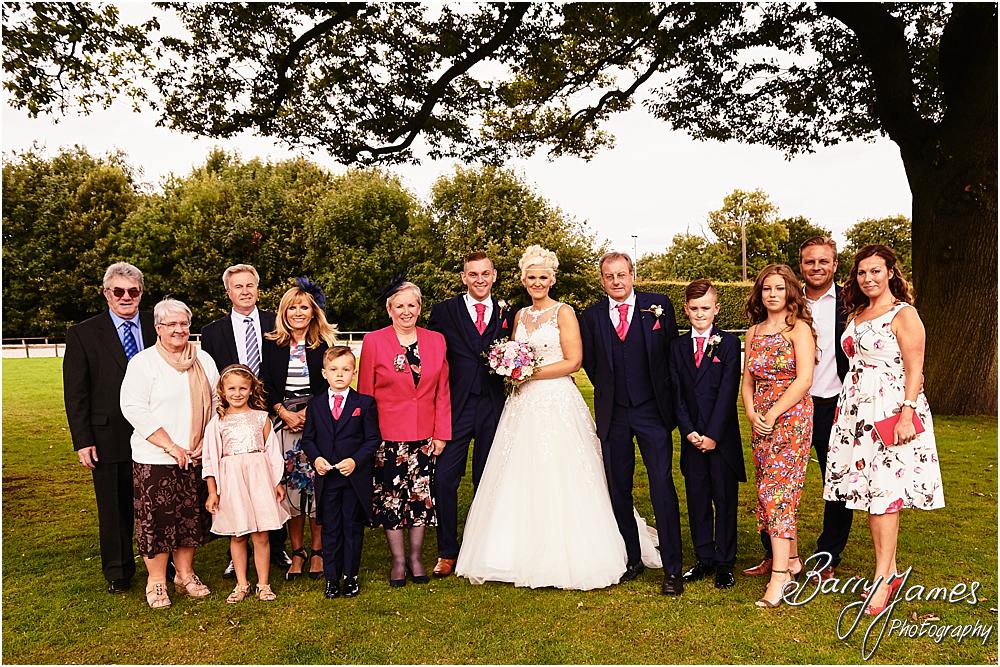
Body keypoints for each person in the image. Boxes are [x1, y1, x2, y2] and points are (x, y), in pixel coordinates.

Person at [456, 246, 660, 590]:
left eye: (543, 277)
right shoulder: (519, 316)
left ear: (552, 279)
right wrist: (511, 367)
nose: (537, 282)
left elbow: (573, 361)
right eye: (531, 277)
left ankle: (585, 549)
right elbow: (513, 352)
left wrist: (527, 372)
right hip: (521, 405)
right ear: (523, 280)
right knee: (520, 471)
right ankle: (513, 552)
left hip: (556, 400)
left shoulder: (564, 313)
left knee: (566, 471)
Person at [823, 245, 944, 615]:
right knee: (868, 491)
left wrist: (907, 413)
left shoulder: (904, 314)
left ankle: (881, 581)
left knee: (885, 495)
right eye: (862, 273)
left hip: (891, 411)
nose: (868, 278)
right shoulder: (857, 312)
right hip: (855, 411)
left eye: (876, 271)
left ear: (890, 272)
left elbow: (915, 367)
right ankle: (889, 571)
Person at [579, 251, 684, 595]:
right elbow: (592, 365)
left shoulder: (659, 306)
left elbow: (671, 354)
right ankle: (632, 558)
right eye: (609, 276)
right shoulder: (592, 316)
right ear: (602, 280)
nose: (617, 282)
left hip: (653, 412)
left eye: (622, 274)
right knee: (618, 489)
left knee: (661, 486)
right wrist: (613, 393)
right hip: (615, 414)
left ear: (632, 274)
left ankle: (672, 567)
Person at [120, 298, 220, 609]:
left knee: (189, 519)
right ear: (158, 328)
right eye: (172, 324)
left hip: (195, 455)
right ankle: (157, 582)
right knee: (158, 521)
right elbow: (133, 408)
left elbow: (218, 402)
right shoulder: (143, 363)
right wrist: (170, 445)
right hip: (156, 457)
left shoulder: (204, 359)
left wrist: (207, 438)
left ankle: (185, 575)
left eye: (184, 324)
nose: (179, 330)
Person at [63, 262, 156, 595]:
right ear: (106, 293)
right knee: (114, 507)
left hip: (156, 433)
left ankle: (164, 561)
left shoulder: (156, 324)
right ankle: (119, 571)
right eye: (119, 291)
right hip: (107, 435)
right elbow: (75, 393)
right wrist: (83, 440)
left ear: (141, 293)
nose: (126, 297)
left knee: (157, 501)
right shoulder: (84, 334)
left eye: (133, 291)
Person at [359, 280, 451, 587]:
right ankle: (398, 560)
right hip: (388, 435)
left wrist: (441, 434)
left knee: (421, 497)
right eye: (399, 306)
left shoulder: (436, 340)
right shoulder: (374, 341)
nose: (406, 311)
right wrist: (369, 437)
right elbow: (365, 394)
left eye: (412, 305)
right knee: (393, 499)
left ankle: (415, 557)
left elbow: (442, 391)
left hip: (425, 435)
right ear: (389, 310)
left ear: (420, 308)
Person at [200, 263, 290, 576]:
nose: (245, 291)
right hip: (234, 415)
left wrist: (276, 407)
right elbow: (212, 378)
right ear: (228, 292)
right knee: (239, 486)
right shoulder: (213, 333)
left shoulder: (275, 323)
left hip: (271, 412)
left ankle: (275, 547)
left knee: (267, 478)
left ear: (257, 288)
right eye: (238, 286)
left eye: (250, 285)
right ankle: (235, 547)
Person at [426, 251, 512, 578]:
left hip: (493, 405)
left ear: (493, 276)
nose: (479, 279)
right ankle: (447, 551)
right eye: (473, 274)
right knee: (445, 479)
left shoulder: (508, 311)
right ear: (464, 277)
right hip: (456, 406)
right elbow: (435, 357)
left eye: (485, 274)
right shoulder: (444, 311)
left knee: (487, 479)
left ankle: (484, 547)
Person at [740, 264, 816, 608]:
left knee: (778, 493)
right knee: (768, 488)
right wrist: (754, 413)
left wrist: (772, 413)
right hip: (762, 420)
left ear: (790, 293)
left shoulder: (799, 329)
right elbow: (747, 381)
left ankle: (780, 577)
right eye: (767, 288)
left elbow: (804, 380)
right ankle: (795, 559)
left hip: (792, 417)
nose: (772, 294)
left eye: (779, 288)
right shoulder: (754, 332)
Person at [668, 279, 746, 590]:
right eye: (694, 309)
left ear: (716, 309)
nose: (700, 314)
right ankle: (704, 557)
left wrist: (712, 434)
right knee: (698, 498)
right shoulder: (676, 347)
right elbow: (676, 392)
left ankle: (725, 562)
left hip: (721, 439)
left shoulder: (727, 344)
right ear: (686, 310)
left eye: (706, 308)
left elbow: (729, 392)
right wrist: (688, 431)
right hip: (692, 439)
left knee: (724, 499)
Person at [261, 279, 337, 580]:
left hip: (317, 420)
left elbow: (333, 382)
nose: (298, 312)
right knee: (292, 488)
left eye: (304, 307)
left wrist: (310, 413)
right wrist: (282, 411)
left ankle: (318, 550)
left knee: (317, 486)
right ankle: (297, 551)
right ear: (284, 311)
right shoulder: (272, 344)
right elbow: (265, 384)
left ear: (313, 311)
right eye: (292, 307)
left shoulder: (324, 344)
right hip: (284, 421)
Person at [202, 364, 290, 603]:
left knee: (261, 534)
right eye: (231, 388)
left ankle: (263, 583)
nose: (237, 393)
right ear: (222, 390)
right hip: (232, 482)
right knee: (238, 534)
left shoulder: (261, 418)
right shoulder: (217, 422)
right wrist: (212, 492)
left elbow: (273, 453)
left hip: (260, 479)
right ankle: (242, 583)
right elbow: (209, 459)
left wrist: (277, 482)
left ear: (252, 389)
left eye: (243, 388)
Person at [301, 346, 381, 599]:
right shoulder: (315, 404)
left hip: (353, 479)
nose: (339, 375)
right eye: (334, 370)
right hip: (328, 480)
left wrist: (356, 461)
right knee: (331, 528)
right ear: (324, 373)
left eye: (345, 370)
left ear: (353, 373)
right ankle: (332, 578)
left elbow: (372, 439)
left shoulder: (364, 403)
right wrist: (317, 459)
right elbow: (308, 439)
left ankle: (351, 576)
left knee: (352, 527)